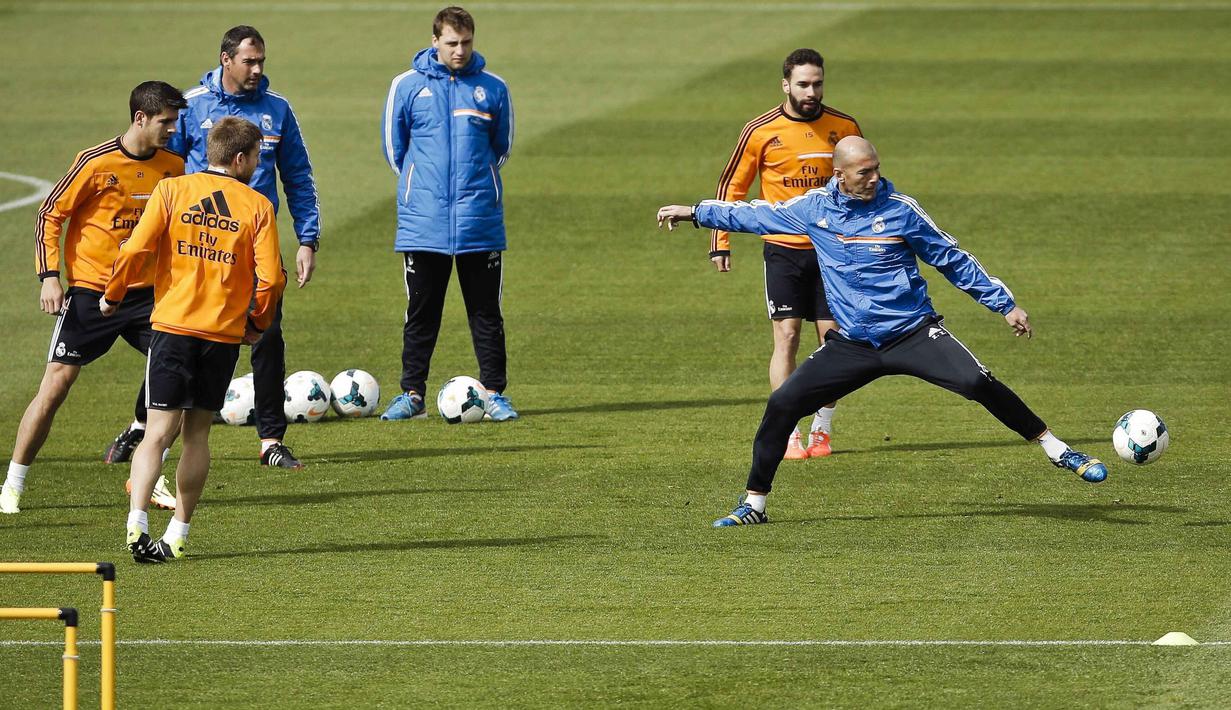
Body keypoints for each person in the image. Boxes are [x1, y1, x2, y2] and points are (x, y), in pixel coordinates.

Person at [657, 137, 1108, 528]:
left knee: (976, 382)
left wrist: (1004, 304)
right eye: (863, 172)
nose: (873, 178)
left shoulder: (901, 211)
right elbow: (757, 216)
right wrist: (696, 213)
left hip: (912, 333)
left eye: (876, 169)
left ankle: (1058, 449)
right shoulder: (814, 209)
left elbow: (950, 257)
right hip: (854, 343)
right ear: (840, 175)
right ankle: (755, 503)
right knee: (783, 403)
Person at [117, 24, 321, 470]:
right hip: (196, 245)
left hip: (253, 244)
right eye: (249, 61)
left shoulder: (277, 110)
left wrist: (308, 238)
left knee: (267, 336)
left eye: (262, 60)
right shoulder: (192, 105)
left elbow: (299, 177)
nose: (257, 69)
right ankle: (141, 426)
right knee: (173, 334)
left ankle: (270, 441)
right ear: (226, 59)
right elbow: (164, 165)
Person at [102, 116, 285, 562]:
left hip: (171, 328)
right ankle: (178, 534)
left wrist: (112, 295)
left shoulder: (171, 190)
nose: (258, 164)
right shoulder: (257, 206)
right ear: (240, 159)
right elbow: (271, 281)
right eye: (257, 157)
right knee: (197, 436)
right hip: (220, 335)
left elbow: (135, 249)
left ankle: (136, 525)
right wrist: (257, 326)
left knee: (157, 433)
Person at [2, 82, 187, 515]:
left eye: (175, 121)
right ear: (140, 118)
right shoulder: (94, 162)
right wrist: (49, 277)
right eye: (166, 121)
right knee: (55, 386)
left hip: (148, 297)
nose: (173, 129)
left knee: (179, 382)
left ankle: (148, 474)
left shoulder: (174, 166)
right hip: (91, 293)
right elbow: (50, 213)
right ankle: (13, 480)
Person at [710, 49, 862, 461]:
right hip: (782, 251)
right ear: (785, 85)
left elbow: (862, 182)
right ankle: (789, 431)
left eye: (817, 84)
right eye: (803, 84)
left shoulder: (844, 127)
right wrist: (719, 241)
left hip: (833, 252)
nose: (811, 92)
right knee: (787, 337)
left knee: (836, 342)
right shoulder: (760, 131)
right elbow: (732, 188)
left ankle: (822, 429)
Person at [379, 6, 518, 422]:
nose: (460, 51)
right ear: (435, 40)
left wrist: (476, 182)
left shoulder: (492, 87)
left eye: (466, 43)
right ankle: (411, 394)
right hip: (424, 221)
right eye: (452, 43)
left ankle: (494, 394)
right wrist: (420, 185)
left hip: (479, 219)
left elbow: (502, 146)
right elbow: (394, 150)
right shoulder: (406, 86)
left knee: (486, 312)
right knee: (421, 313)